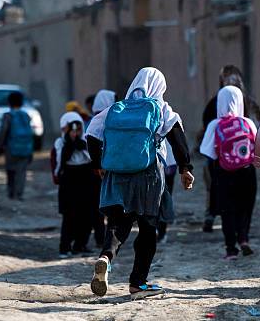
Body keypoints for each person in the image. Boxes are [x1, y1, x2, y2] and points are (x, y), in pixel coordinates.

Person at [87, 67, 194, 300]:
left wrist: (98, 164)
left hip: (117, 174)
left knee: (118, 223)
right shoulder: (161, 108)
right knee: (147, 228)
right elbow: (178, 138)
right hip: (148, 175)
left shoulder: (115, 109)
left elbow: (92, 134)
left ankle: (105, 257)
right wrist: (186, 168)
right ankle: (138, 283)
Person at [201, 65, 260, 233]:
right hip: (245, 160)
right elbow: (259, 128)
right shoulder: (247, 102)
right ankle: (241, 232)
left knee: (218, 186)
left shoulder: (218, 101)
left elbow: (207, 127)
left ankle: (216, 217)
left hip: (221, 158)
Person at [200, 85, 258, 260]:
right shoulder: (247, 122)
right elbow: (257, 147)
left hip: (223, 172)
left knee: (227, 210)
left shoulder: (215, 124)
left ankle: (231, 249)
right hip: (247, 172)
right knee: (245, 207)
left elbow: (208, 152)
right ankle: (244, 239)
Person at [52, 112, 97, 258]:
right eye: (71, 129)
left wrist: (81, 145)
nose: (75, 132)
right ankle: (64, 247)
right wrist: (70, 144)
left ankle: (80, 244)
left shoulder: (85, 140)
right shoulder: (60, 143)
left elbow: (91, 158)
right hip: (69, 180)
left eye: (78, 129)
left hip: (85, 178)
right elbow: (60, 163)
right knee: (69, 215)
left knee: (87, 215)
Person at [86, 89, 117, 246]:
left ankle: (101, 239)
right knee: (108, 204)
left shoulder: (91, 120)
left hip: (94, 168)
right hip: (106, 168)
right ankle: (106, 240)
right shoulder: (112, 118)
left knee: (97, 205)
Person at [0, 92, 33, 200]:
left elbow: (4, 131)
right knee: (21, 171)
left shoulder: (8, 115)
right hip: (26, 147)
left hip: (11, 147)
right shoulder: (26, 115)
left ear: (9, 103)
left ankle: (11, 192)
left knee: (11, 171)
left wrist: (1, 144)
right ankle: (19, 193)